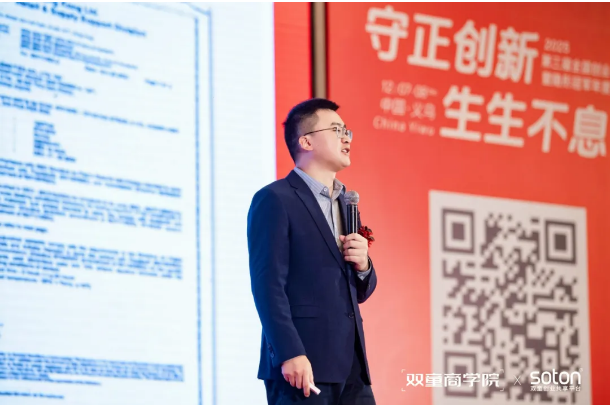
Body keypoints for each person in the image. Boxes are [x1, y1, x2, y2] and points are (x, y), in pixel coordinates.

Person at [247, 98, 378, 404]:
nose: (346, 138)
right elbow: (268, 285)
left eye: (347, 131)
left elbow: (358, 292)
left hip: (352, 367)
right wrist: (289, 352)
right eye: (336, 130)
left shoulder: (347, 203)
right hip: (302, 364)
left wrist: (364, 266)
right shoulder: (275, 199)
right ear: (306, 141)